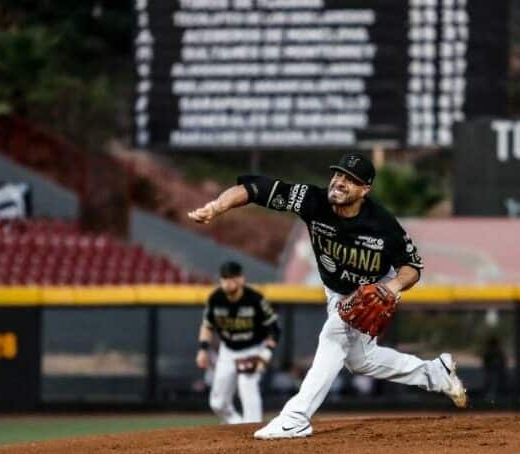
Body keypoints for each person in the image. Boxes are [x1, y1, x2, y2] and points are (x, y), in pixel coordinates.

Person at [189, 152, 467, 440]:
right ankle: (436, 373)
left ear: (365, 190)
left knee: (333, 335)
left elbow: (412, 267)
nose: (340, 182)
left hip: (373, 289)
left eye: (350, 179)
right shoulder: (312, 200)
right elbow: (253, 189)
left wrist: (392, 288)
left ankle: (296, 417)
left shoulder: (382, 223)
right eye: (338, 175)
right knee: (360, 360)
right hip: (336, 289)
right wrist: (217, 206)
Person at [196, 261, 279, 424]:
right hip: (227, 351)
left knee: (247, 387)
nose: (228, 282)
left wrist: (266, 353)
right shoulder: (216, 298)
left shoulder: (254, 299)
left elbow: (274, 329)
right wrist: (203, 349)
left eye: (232, 278)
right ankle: (238, 426)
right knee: (217, 403)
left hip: (252, 349)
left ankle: (253, 427)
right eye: (224, 278)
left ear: (241, 279)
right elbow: (207, 326)